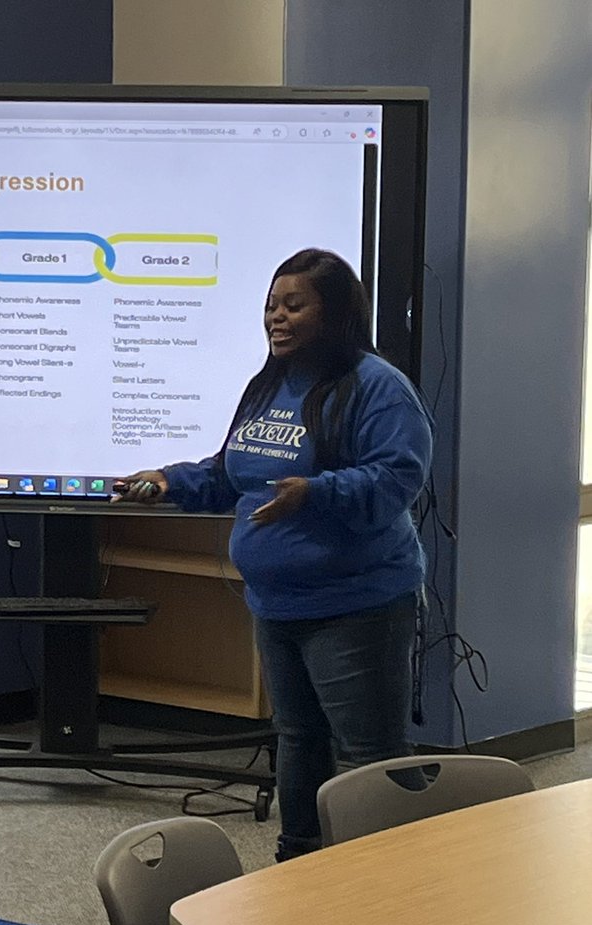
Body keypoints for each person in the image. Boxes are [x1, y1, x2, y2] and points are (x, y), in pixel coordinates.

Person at [112, 248, 433, 862]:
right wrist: (171, 480)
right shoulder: (270, 385)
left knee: (370, 752)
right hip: (277, 604)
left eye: (293, 305)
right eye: (270, 305)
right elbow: (234, 472)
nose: (276, 318)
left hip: (357, 604)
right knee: (299, 737)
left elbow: (397, 480)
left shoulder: (377, 388)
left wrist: (316, 492)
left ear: (335, 314)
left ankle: (408, 870)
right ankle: (299, 858)